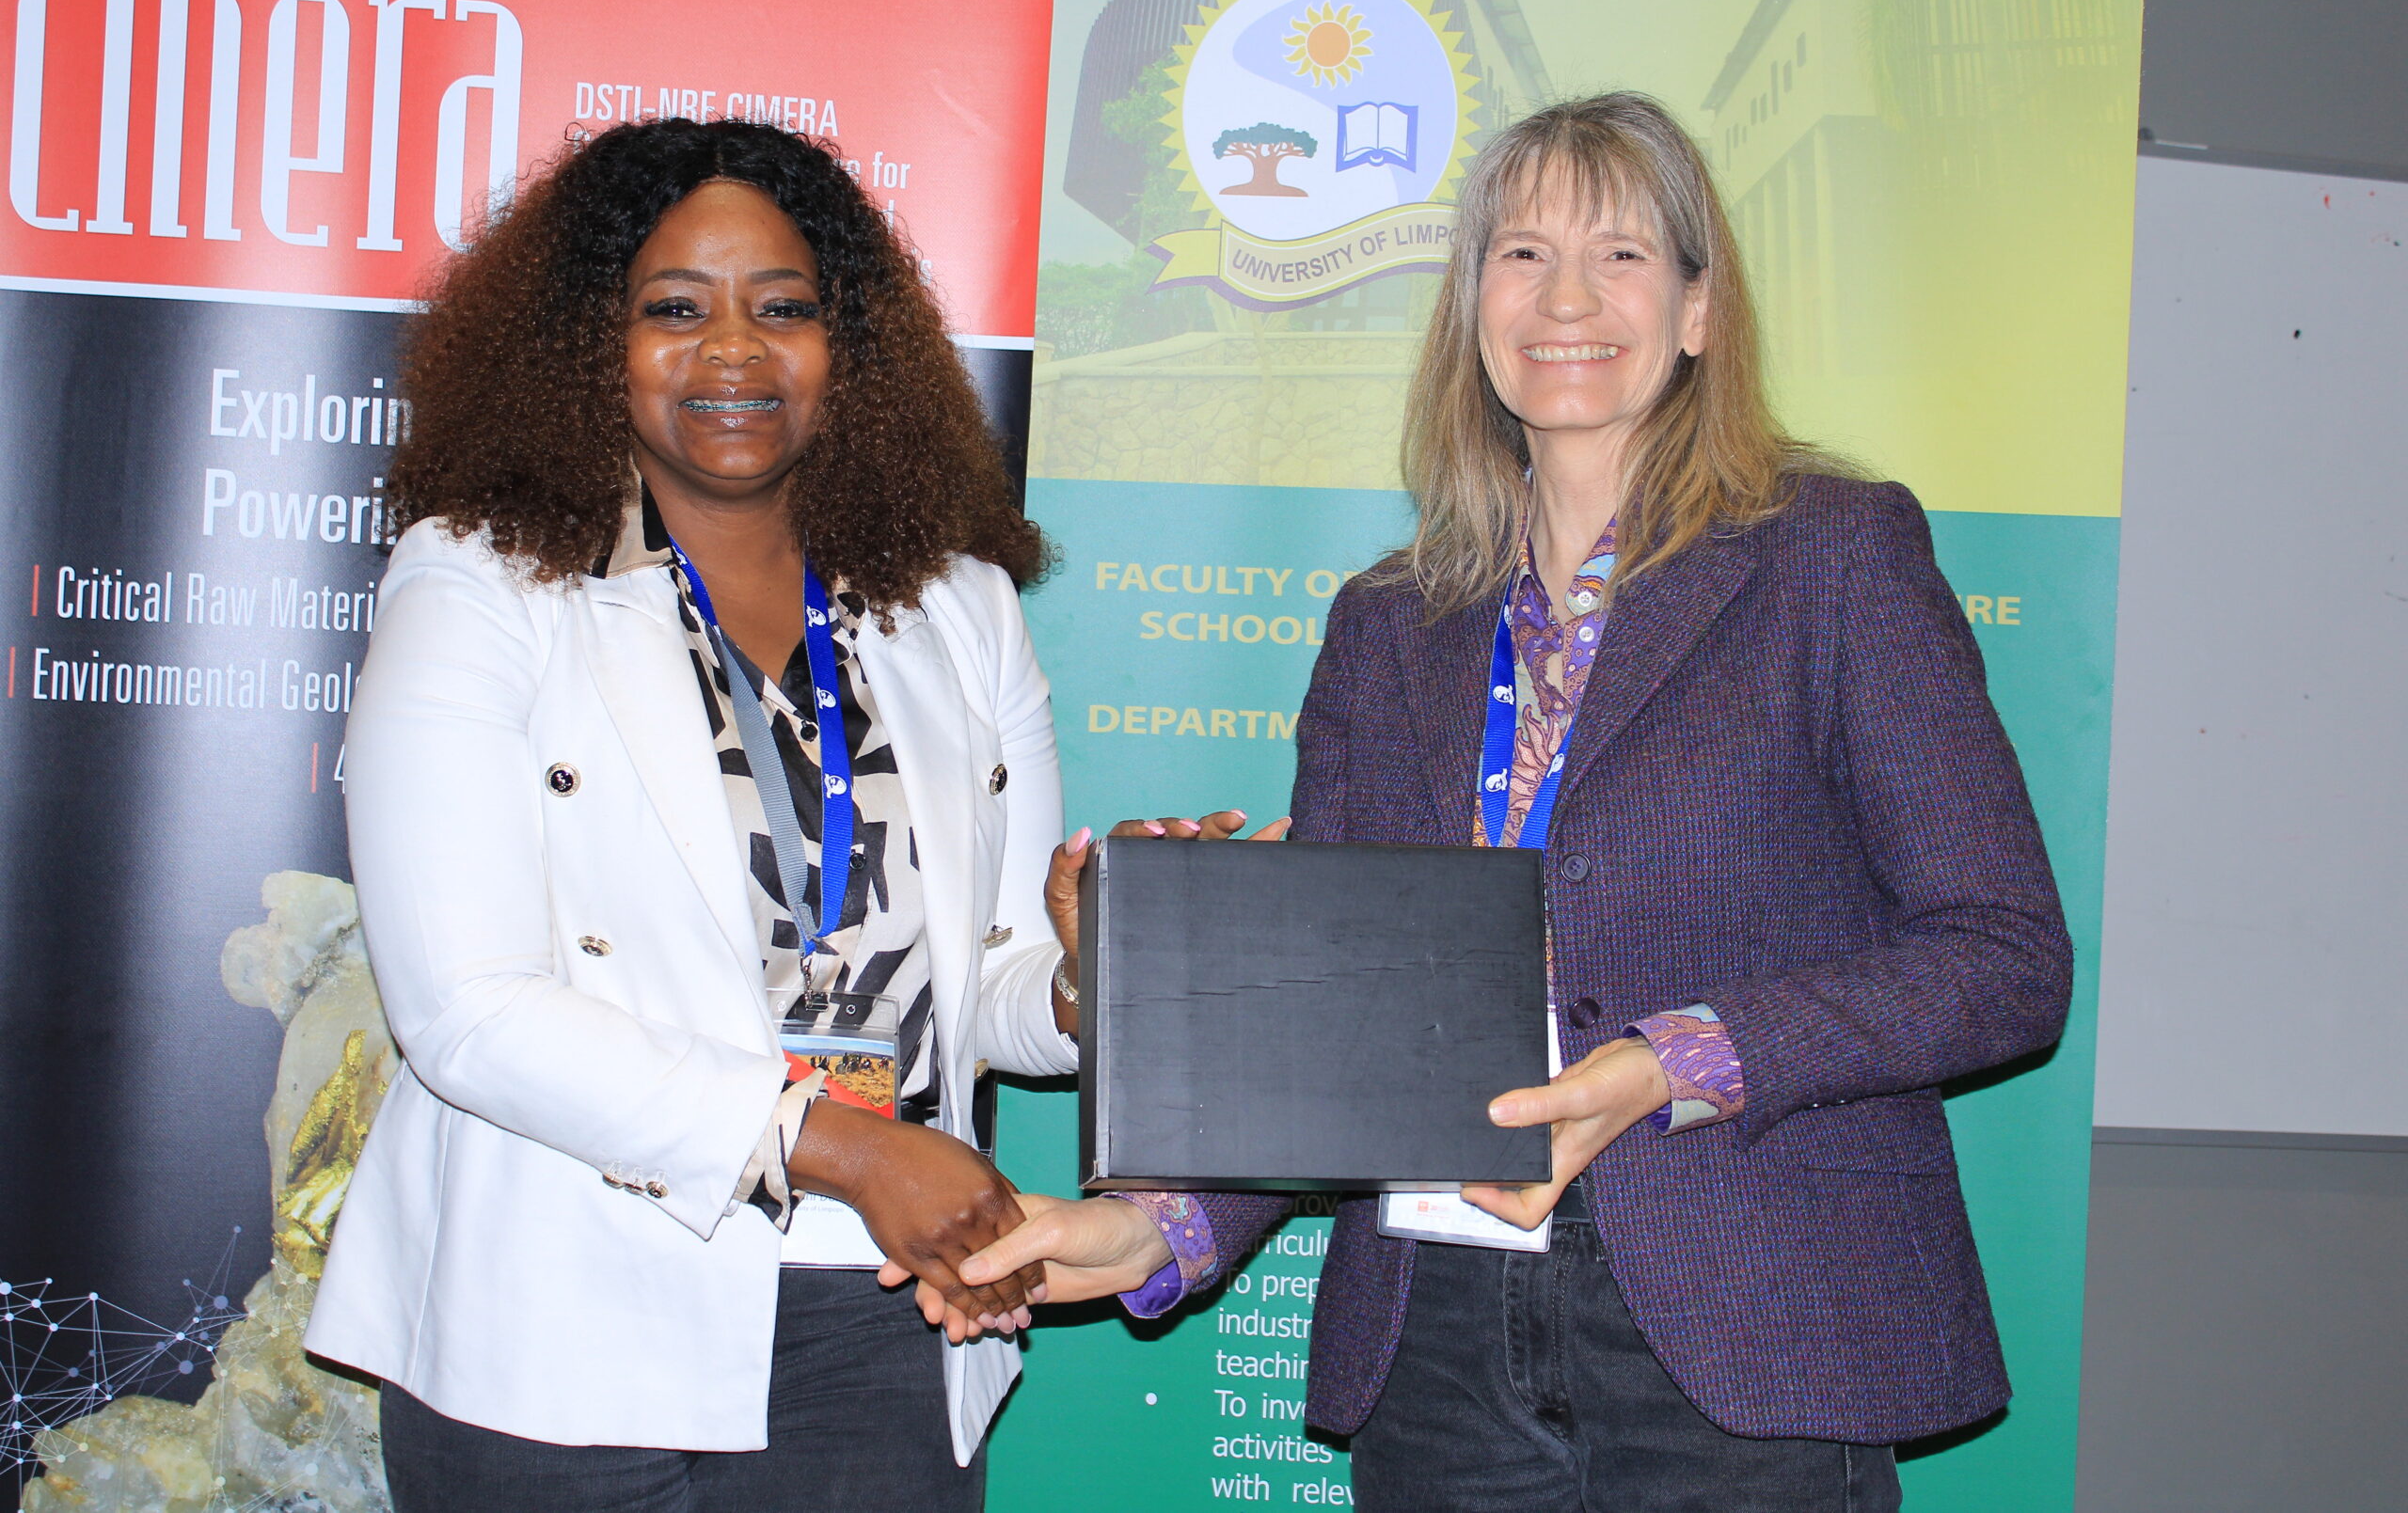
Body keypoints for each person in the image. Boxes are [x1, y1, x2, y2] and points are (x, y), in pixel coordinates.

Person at [960, 93, 2074, 1511]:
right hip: (1438, 1343)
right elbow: (1334, 1028)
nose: (1566, 300)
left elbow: (2002, 958)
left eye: (1621, 255)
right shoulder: (1388, 623)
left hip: (1743, 1326)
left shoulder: (1833, 559)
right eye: (1522, 254)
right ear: (1473, 309)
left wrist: (1669, 1063)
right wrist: (1152, 1232)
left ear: (1698, 310)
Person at [306, 117, 1095, 1512]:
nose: (734, 349)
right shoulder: (479, 587)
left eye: (782, 309)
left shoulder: (960, 610)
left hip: (885, 1301)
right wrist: (847, 1147)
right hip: (555, 1310)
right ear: (589, 345)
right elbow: (468, 1011)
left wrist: (1095, 976)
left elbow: (993, 996)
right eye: (675, 309)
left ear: (847, 348)